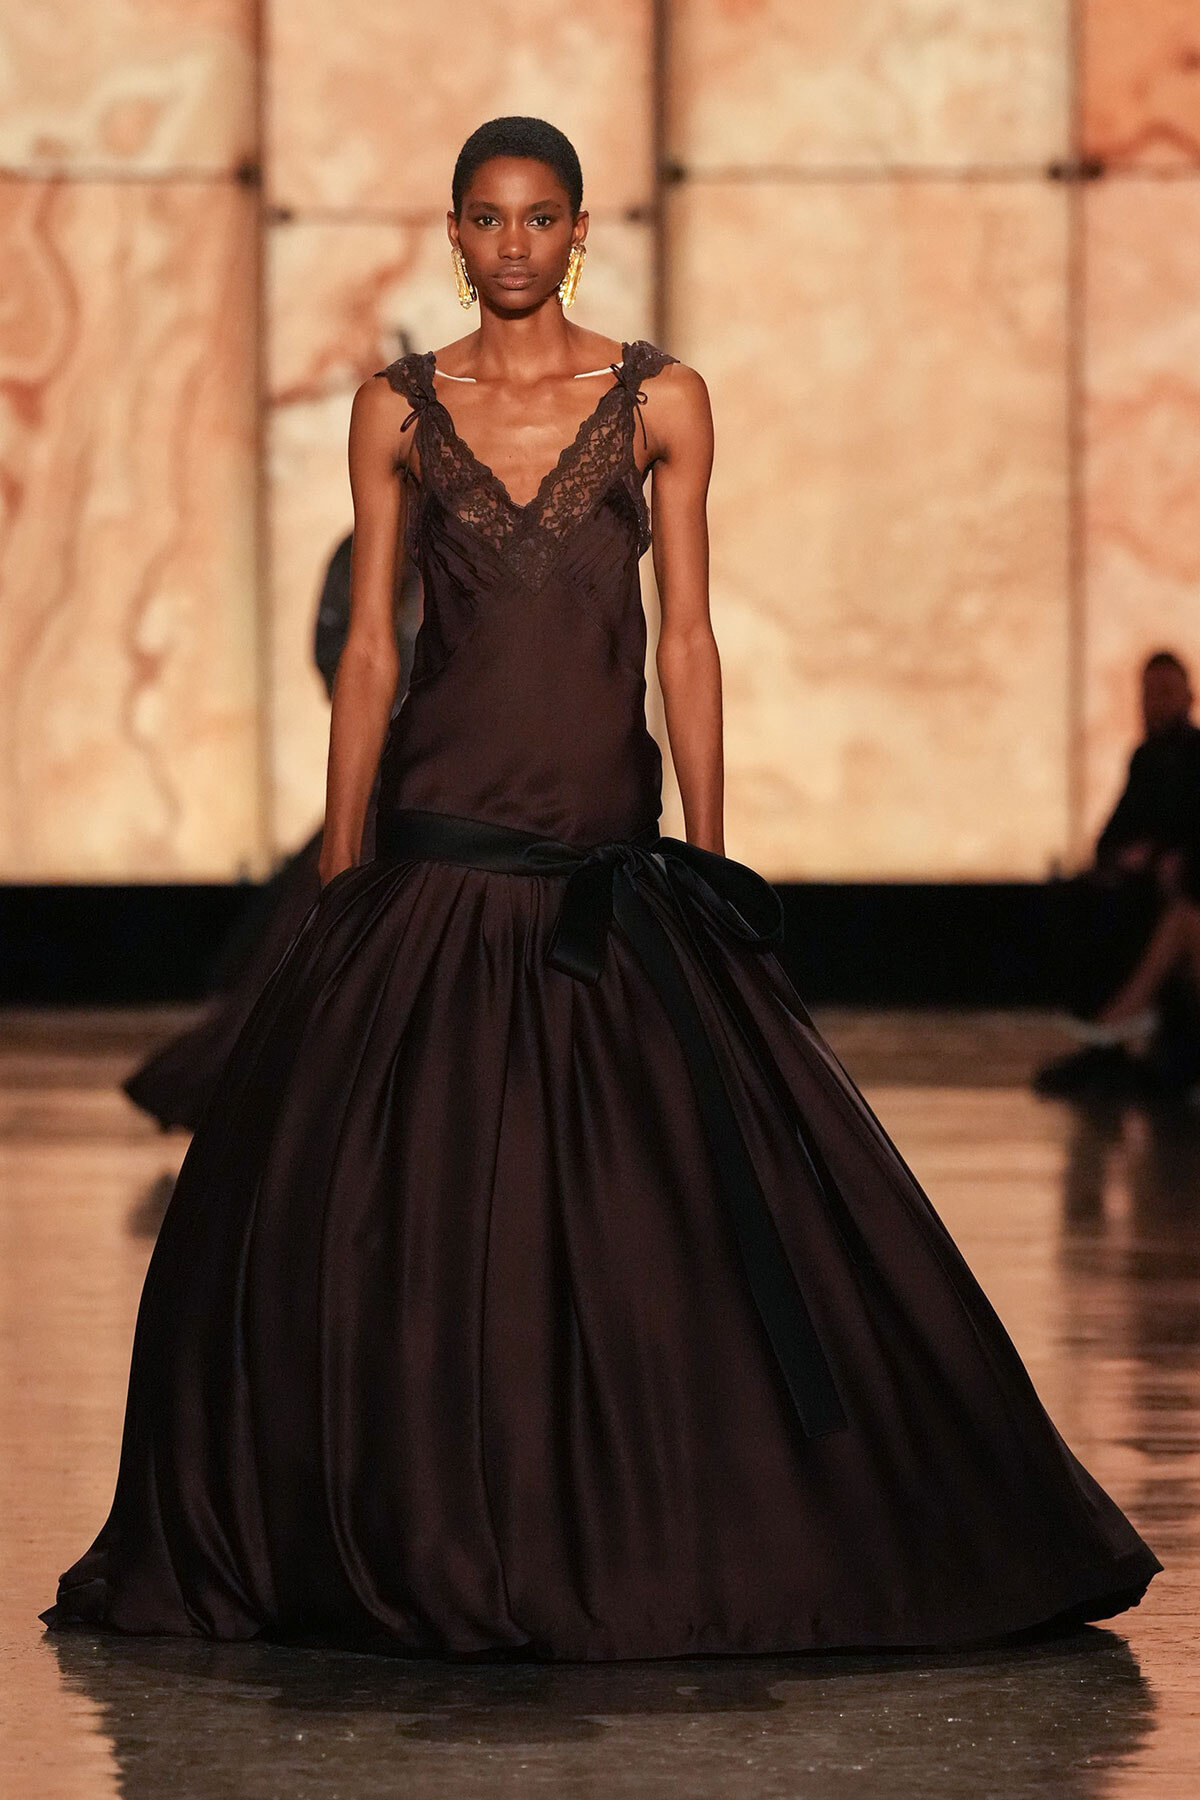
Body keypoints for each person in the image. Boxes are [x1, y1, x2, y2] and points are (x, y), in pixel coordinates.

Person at [42, 116, 1159, 1658]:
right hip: (438, 852)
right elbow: (373, 647)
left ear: (580, 233)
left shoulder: (659, 401)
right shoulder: (394, 410)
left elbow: (685, 638)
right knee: (370, 1212)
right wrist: (340, 869)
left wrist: (707, 853)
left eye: (541, 218)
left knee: (671, 1212)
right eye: (487, 220)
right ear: (454, 234)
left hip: (603, 861)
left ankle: (665, 1518)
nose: (513, 246)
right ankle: (402, 1520)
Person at [123, 536, 420, 1132]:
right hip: (396, 768)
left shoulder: (482, 524)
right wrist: (383, 712)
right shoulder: (369, 542)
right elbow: (337, 647)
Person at [1036, 651, 1200, 1100]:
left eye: (1165, 692)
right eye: (1148, 693)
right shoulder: (1147, 759)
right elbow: (1113, 837)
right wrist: (1134, 858)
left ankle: (1117, 1023)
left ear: (1188, 696)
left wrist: (1167, 859)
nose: (1155, 703)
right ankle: (1112, 1035)